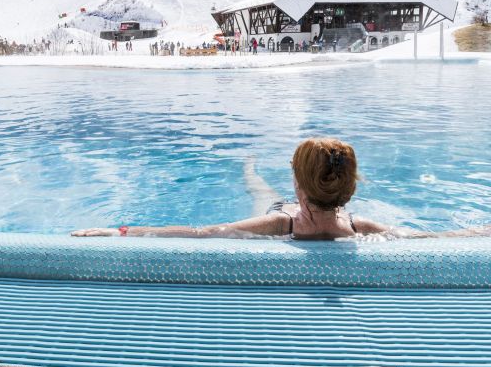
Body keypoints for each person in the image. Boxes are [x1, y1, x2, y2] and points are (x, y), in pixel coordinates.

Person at [72, 138, 491, 240]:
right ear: (348, 187)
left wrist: (118, 231)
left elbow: (203, 234)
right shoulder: (361, 227)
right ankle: (250, 168)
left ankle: (248, 167)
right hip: (322, 209)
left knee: (256, 187)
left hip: (284, 211)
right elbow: (432, 237)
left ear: (297, 182)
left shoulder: (280, 222)